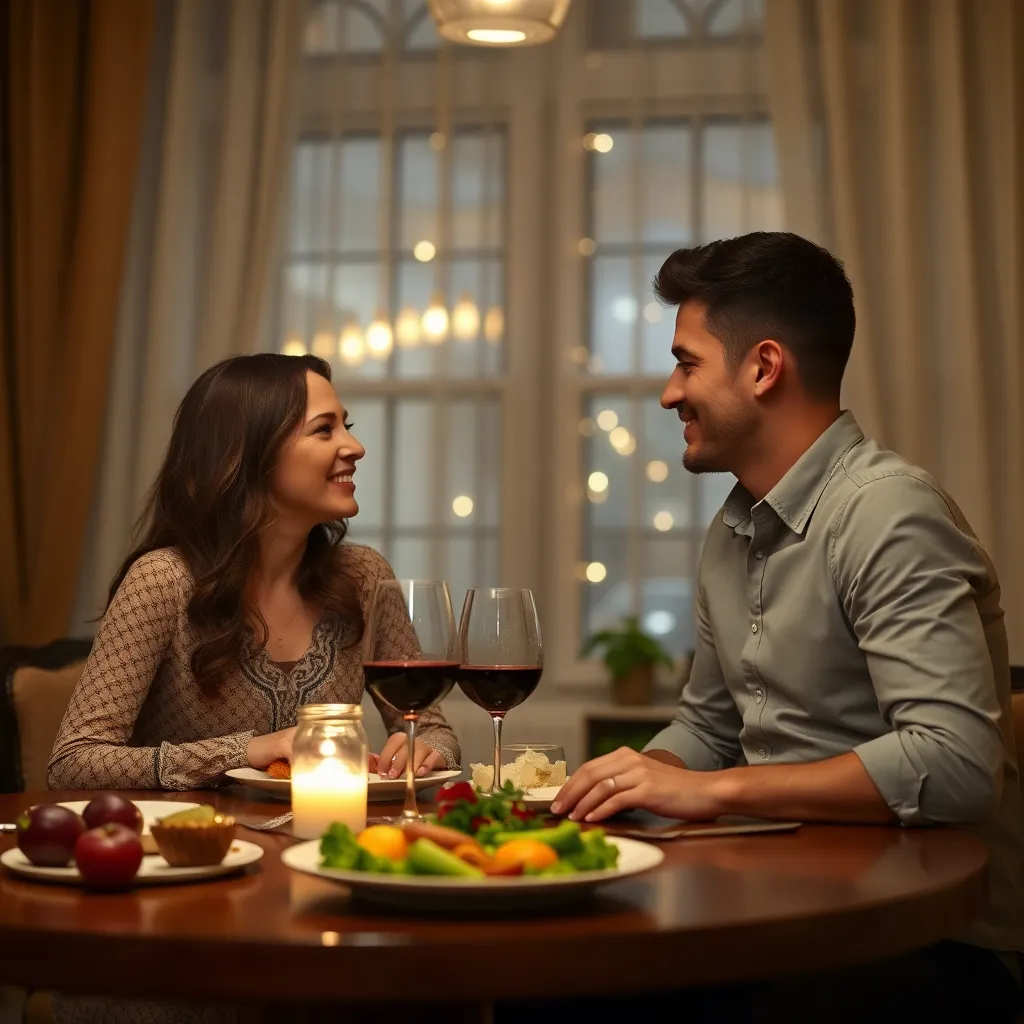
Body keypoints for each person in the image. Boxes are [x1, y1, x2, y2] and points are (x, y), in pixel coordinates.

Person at [549, 232, 1024, 1022]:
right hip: (782, 906)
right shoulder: (731, 528)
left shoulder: (887, 512)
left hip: (933, 937)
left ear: (764, 367)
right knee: (552, 984)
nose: (670, 393)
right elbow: (711, 721)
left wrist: (709, 791)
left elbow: (958, 763)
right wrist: (637, 777)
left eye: (687, 362)